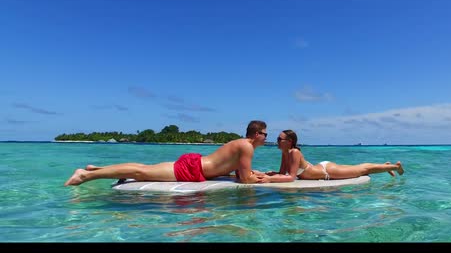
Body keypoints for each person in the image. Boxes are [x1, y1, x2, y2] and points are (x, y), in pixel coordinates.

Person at [64, 120, 271, 186]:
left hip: (194, 166)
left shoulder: (242, 145)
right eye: (265, 134)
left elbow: (238, 173)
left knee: (144, 170)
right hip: (191, 170)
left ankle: (96, 169)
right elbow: (244, 180)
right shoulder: (246, 146)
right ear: (256, 133)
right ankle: (85, 175)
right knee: (141, 172)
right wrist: (270, 180)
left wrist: (255, 174)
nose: (266, 138)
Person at [261, 129, 404, 182]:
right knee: (358, 167)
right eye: (278, 139)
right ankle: (385, 166)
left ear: (289, 141)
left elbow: (291, 177)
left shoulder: (294, 152)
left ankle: (396, 166)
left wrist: (268, 179)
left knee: (362, 170)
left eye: (280, 139)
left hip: (328, 172)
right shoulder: (285, 153)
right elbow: (281, 173)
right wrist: (266, 174)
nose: (277, 141)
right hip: (322, 167)